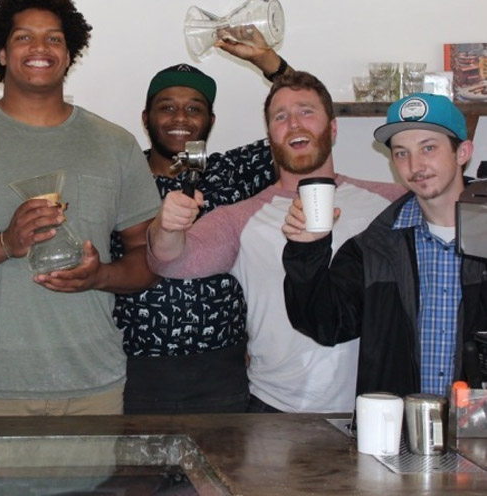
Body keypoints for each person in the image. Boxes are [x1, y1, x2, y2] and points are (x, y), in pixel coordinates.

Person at [0, 0, 161, 416]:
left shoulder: (115, 144)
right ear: (1, 53)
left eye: (54, 39)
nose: (40, 48)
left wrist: (99, 276)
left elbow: (150, 258)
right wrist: (5, 243)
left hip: (93, 383)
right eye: (24, 36)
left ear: (69, 53)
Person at [147, 71, 406, 414]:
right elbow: (170, 260)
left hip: (379, 405)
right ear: (270, 137)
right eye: (280, 117)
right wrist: (165, 227)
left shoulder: (390, 201)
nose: (294, 124)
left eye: (306, 112)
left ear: (332, 128)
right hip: (276, 408)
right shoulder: (240, 218)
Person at [113, 41, 284, 415]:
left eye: (194, 109)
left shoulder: (232, 172)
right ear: (145, 118)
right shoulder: (120, 176)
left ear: (211, 120)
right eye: (166, 107)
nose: (180, 117)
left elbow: (300, 125)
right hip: (133, 371)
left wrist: (271, 65)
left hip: (221, 372)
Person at [282, 93, 487, 398]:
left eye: (428, 148)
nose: (415, 165)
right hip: (396, 424)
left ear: (462, 152)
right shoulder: (373, 248)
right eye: (402, 153)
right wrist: (307, 250)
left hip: (477, 425)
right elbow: (326, 325)